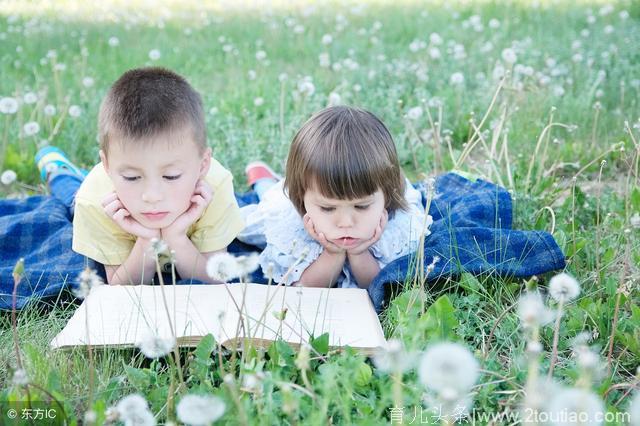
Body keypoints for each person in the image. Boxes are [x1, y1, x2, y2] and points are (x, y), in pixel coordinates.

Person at [36, 67, 244, 285]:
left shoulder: (216, 185)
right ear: (106, 165)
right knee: (71, 195)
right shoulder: (94, 200)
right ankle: (57, 169)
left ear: (202, 166)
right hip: (98, 193)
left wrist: (176, 237)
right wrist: (147, 240)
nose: (152, 196)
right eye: (132, 177)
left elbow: (216, 284)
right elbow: (121, 289)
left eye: (171, 176)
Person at [238, 106, 430, 289]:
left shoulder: (397, 228)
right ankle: (262, 180)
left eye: (361, 206)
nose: (346, 222)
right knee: (267, 198)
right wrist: (333, 253)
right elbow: (302, 287)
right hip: (288, 198)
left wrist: (359, 253)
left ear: (387, 196)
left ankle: (264, 178)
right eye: (328, 208)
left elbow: (379, 286)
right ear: (302, 200)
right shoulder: (290, 221)